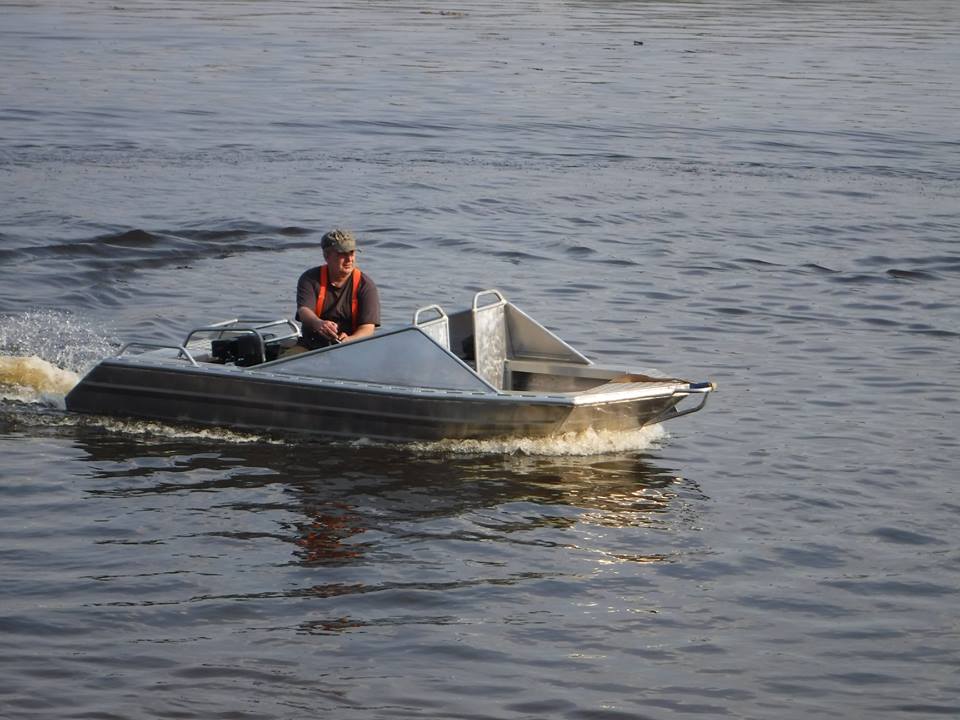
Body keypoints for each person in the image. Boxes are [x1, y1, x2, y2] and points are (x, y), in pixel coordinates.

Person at [293, 229, 380, 351]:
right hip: (310, 346)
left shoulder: (365, 285)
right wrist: (319, 323)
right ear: (326, 256)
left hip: (352, 348)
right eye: (342, 254)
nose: (349, 259)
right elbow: (304, 311)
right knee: (288, 357)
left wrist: (349, 340)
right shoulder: (310, 278)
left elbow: (368, 328)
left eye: (352, 253)